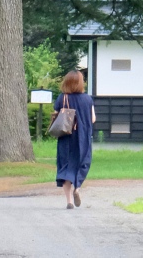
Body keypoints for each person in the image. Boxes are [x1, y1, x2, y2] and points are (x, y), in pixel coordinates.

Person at [52, 69, 95, 208]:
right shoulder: (87, 99)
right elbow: (93, 118)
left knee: (66, 166)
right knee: (83, 162)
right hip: (83, 137)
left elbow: (56, 116)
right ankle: (78, 187)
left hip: (66, 137)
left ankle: (69, 201)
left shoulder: (62, 98)